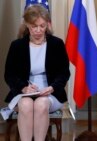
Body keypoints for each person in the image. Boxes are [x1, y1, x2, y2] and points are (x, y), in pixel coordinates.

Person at [4, 4, 70, 141]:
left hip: (51, 93)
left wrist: (52, 87)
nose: (39, 30)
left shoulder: (57, 44)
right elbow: (9, 74)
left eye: (42, 26)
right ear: (27, 25)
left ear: (48, 25)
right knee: (26, 104)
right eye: (34, 26)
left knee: (41, 104)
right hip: (23, 92)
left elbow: (64, 73)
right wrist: (23, 87)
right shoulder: (17, 46)